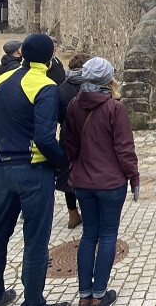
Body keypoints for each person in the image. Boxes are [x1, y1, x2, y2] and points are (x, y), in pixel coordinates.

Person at [0, 33, 69, 306]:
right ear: (49, 58)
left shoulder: (0, 82)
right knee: (35, 240)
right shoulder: (45, 86)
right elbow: (44, 138)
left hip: (4, 169)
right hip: (34, 171)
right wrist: (62, 163)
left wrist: (3, 152)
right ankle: (33, 300)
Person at [61, 57, 140, 306]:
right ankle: (98, 294)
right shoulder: (114, 108)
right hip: (110, 182)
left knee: (88, 235)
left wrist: (76, 165)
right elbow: (124, 149)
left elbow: (68, 144)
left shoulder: (74, 104)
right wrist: (134, 178)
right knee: (107, 236)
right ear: (108, 79)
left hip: (83, 181)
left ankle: (84, 294)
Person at [57, 52, 93, 230]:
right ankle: (88, 213)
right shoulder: (90, 88)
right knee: (87, 176)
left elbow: (57, 116)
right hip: (89, 137)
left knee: (68, 176)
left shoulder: (62, 89)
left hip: (67, 136)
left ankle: (72, 213)